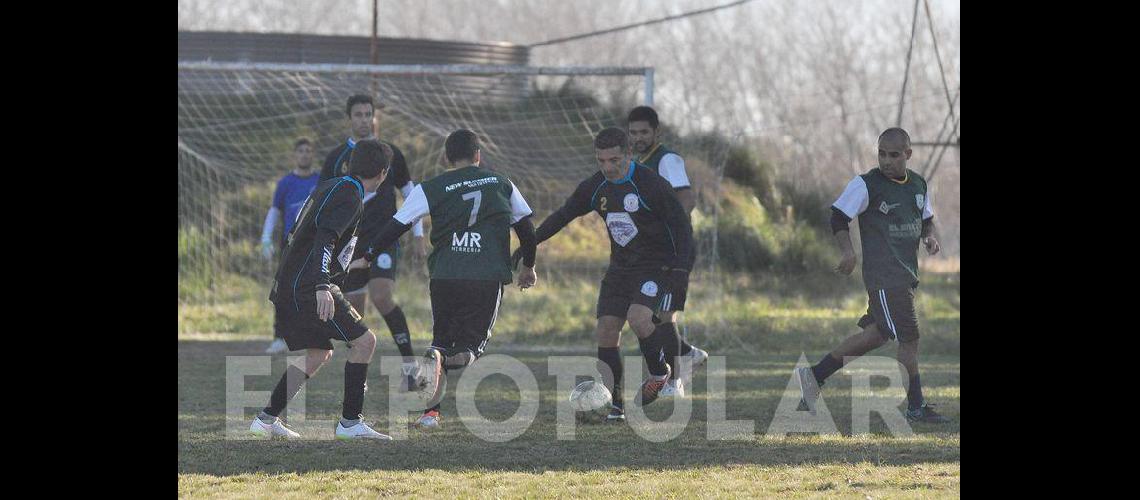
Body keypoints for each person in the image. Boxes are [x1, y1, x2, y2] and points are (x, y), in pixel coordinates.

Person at [356, 129, 537, 430]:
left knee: (439, 342)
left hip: (445, 275)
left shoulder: (432, 187)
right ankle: (448, 361)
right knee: (469, 350)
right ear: (478, 156)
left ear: (445, 158)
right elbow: (527, 230)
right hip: (485, 276)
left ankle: (430, 413)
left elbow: (397, 224)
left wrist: (369, 254)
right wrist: (528, 267)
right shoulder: (501, 182)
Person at [526, 127, 694, 422]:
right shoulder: (595, 186)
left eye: (614, 160)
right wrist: (530, 244)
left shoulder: (651, 185)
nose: (607, 167)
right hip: (620, 269)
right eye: (601, 160)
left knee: (639, 318)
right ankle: (615, 405)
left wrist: (680, 271)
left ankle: (659, 372)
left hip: (657, 265)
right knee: (605, 329)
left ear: (628, 155)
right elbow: (564, 215)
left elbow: (682, 228)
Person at [796, 127, 950, 424]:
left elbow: (926, 219)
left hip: (905, 275)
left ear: (908, 154)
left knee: (877, 335)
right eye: (882, 154)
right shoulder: (866, 184)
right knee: (909, 337)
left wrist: (928, 238)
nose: (887, 161)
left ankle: (814, 376)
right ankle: (916, 407)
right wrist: (848, 252)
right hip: (885, 277)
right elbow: (838, 216)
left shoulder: (918, 184)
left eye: (894, 155)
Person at [248, 139, 395, 440]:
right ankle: (350, 423)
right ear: (382, 172)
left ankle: (264, 421)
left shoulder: (332, 185)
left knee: (318, 354)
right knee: (365, 342)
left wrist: (343, 268)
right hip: (309, 287)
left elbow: (303, 235)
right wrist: (321, 286)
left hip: (292, 284)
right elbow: (325, 239)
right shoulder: (350, 195)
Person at [320, 94, 426, 389]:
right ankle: (359, 375)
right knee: (354, 309)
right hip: (349, 243)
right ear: (349, 118)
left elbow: (412, 194)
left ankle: (409, 367)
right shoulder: (337, 158)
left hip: (384, 239)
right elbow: (323, 198)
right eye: (359, 114)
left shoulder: (391, 153)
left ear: (375, 118)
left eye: (369, 114)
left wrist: (418, 236)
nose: (365, 119)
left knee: (381, 295)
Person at [627, 105, 708, 397]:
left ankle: (675, 383)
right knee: (649, 314)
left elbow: (686, 198)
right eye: (633, 132)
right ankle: (686, 353)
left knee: (663, 314)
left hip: (675, 250)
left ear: (656, 132)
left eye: (644, 132)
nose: (638, 137)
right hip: (651, 252)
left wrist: (671, 233)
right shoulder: (636, 162)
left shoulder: (667, 159)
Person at [260, 137, 320, 355]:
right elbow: (274, 211)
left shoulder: (321, 180)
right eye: (301, 150)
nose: (305, 154)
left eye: (308, 150)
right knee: (284, 289)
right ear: (295, 155)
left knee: (315, 288)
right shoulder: (285, 183)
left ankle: (313, 336)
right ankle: (279, 337)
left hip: (315, 242)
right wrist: (265, 238)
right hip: (291, 243)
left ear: (313, 154)